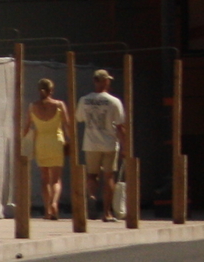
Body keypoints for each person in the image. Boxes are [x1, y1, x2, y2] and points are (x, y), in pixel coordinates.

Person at [77, 67, 128, 220]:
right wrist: (125, 147)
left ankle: (92, 196)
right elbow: (120, 126)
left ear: (94, 81)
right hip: (109, 143)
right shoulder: (114, 102)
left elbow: (79, 118)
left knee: (92, 175)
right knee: (109, 176)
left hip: (91, 143)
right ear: (106, 81)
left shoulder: (84, 100)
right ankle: (107, 212)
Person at [26, 77, 71, 220]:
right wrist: (70, 141)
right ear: (51, 90)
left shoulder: (33, 106)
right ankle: (54, 203)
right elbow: (67, 126)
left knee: (44, 179)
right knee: (56, 180)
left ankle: (47, 210)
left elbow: (26, 127)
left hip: (41, 143)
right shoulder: (59, 105)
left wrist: (23, 142)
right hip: (56, 142)